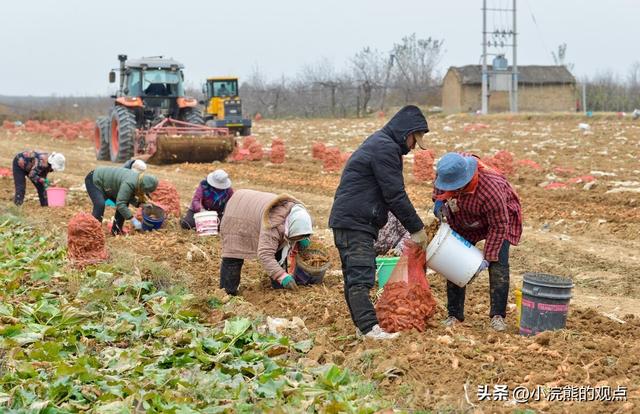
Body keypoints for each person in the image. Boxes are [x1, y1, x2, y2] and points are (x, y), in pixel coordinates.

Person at [329, 105, 430, 340]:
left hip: (351, 219)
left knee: (356, 275)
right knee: (360, 275)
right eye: (414, 141)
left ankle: (362, 326)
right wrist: (416, 228)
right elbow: (394, 194)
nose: (413, 147)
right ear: (407, 134)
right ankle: (369, 329)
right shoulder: (385, 149)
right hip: (355, 222)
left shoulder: (380, 143)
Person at [433, 152, 522, 332]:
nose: (453, 189)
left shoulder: (491, 188)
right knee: (454, 261)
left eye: (457, 187)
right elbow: (438, 190)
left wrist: (487, 258)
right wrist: (438, 203)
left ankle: (498, 316)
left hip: (497, 220)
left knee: (498, 263)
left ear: (466, 180)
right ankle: (454, 315)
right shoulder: (447, 171)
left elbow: (499, 226)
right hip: (463, 217)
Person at [219, 189, 313, 295]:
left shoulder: (298, 213)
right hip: (237, 214)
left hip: (252, 207)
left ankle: (279, 289)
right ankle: (227, 293)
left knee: (278, 250)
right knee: (234, 254)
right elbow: (265, 254)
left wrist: (303, 237)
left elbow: (300, 225)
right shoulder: (273, 225)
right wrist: (282, 276)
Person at [85, 166, 158, 235]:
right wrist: (133, 220)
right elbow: (120, 204)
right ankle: (93, 232)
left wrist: (141, 205)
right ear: (143, 186)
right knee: (100, 204)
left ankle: (116, 230)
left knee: (124, 204)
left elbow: (126, 196)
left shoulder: (138, 179)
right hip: (94, 180)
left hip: (109, 187)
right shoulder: (130, 182)